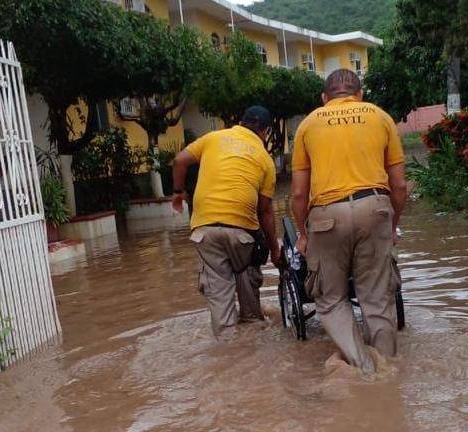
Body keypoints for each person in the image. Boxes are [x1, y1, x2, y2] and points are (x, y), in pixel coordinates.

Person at [290, 69, 407, 372]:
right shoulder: (380, 117)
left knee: (329, 301)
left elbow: (299, 194)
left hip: (326, 215)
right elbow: (400, 186)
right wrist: (391, 226)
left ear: (324, 97)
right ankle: (387, 371)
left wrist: (303, 234)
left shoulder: (308, 124)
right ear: (360, 94)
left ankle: (363, 367)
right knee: (378, 299)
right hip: (376, 207)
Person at [172, 106, 281, 338]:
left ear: (241, 122)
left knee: (220, 302)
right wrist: (274, 249)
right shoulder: (265, 159)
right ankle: (253, 332)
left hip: (205, 231)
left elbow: (179, 161)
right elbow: (265, 211)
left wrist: (178, 192)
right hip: (242, 234)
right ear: (265, 131)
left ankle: (227, 350)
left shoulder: (214, 138)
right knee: (247, 279)